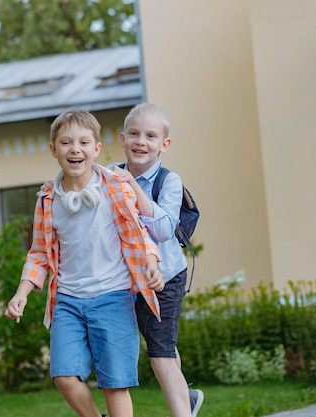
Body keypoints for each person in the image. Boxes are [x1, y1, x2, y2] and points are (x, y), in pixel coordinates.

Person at [5, 108, 165, 417]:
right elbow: (39, 253)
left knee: (114, 384)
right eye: (65, 143)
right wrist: (21, 293)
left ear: (96, 148)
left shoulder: (115, 187)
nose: (75, 149)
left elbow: (138, 233)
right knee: (64, 375)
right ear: (54, 149)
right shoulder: (48, 200)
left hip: (114, 296)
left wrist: (151, 264)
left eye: (83, 142)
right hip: (68, 300)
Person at [109, 103, 204, 417]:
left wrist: (133, 186)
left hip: (165, 276)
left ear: (164, 145)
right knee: (161, 342)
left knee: (160, 354)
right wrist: (55, 188)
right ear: (123, 138)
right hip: (128, 279)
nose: (141, 141)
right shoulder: (110, 174)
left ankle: (182, 412)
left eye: (150, 136)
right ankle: (186, 399)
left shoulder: (169, 181)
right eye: (134, 134)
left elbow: (164, 230)